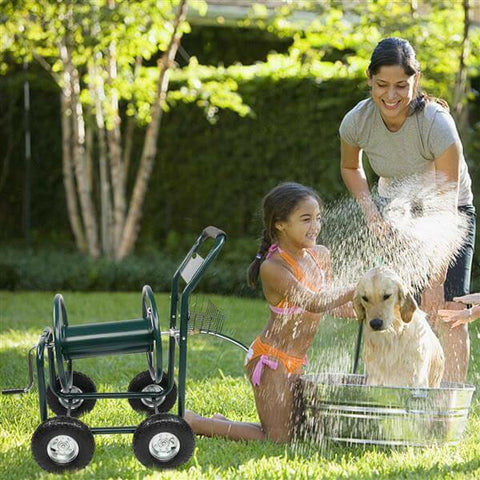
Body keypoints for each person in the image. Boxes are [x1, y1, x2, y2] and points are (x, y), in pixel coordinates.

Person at [339, 37, 476, 382]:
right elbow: (350, 167)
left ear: (416, 80)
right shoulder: (357, 121)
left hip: (449, 210)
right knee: (391, 302)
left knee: (445, 307)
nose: (391, 95)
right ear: (370, 78)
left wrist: (438, 268)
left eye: (401, 85)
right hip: (395, 210)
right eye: (382, 84)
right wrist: (371, 213)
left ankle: (448, 398)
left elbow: (446, 203)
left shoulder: (436, 124)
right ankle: (392, 386)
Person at [185, 182, 355, 442]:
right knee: (277, 440)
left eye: (318, 218)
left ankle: (222, 423)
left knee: (303, 434)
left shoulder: (320, 255)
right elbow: (313, 302)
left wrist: (368, 308)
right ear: (280, 224)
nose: (315, 226)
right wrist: (357, 287)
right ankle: (195, 422)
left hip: (297, 363)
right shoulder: (273, 267)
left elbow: (334, 305)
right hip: (271, 361)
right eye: (306, 219)